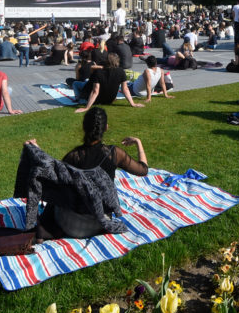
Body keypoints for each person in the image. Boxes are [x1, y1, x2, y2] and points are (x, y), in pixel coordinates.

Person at [23, 107, 148, 240]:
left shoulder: (74, 156)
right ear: (106, 127)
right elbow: (143, 170)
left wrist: (37, 151)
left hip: (69, 224)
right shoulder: (114, 153)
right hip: (100, 223)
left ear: (84, 126)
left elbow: (51, 175)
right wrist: (138, 142)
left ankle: (45, 228)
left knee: (59, 189)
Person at [75, 53, 144, 113]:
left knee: (75, 83)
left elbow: (95, 91)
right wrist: (133, 103)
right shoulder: (121, 71)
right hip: (109, 100)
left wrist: (87, 107)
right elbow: (125, 89)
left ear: (106, 61)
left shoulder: (98, 72)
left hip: (96, 100)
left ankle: (78, 98)